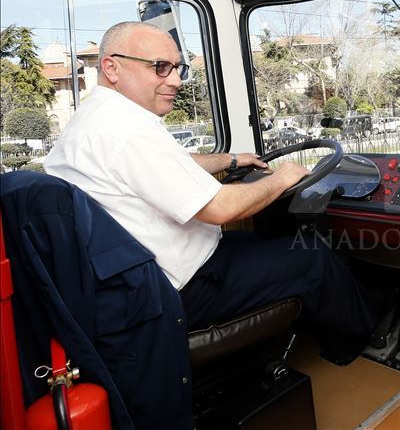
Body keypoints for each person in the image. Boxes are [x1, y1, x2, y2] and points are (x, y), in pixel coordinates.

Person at [45, 21, 376, 364]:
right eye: (160, 67)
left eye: (177, 68)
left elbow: (166, 164)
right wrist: (282, 178)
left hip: (143, 280)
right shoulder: (125, 129)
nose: (176, 80)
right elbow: (220, 209)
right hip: (177, 290)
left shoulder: (96, 119)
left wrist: (230, 159)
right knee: (312, 255)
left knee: (273, 241)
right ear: (112, 67)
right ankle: (360, 344)